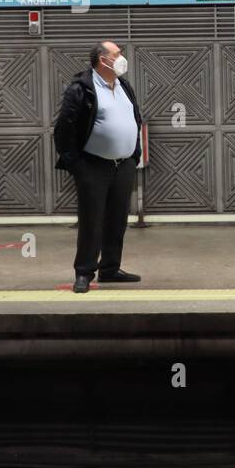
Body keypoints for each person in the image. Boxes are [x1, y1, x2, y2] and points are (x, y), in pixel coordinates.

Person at [52, 41, 144, 292]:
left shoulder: (124, 86)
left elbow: (135, 119)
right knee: (91, 220)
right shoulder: (81, 89)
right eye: (117, 54)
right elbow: (63, 130)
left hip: (123, 165)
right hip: (93, 166)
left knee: (117, 220)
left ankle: (110, 269)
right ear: (103, 60)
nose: (122, 57)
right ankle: (84, 272)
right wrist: (77, 166)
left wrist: (134, 155)